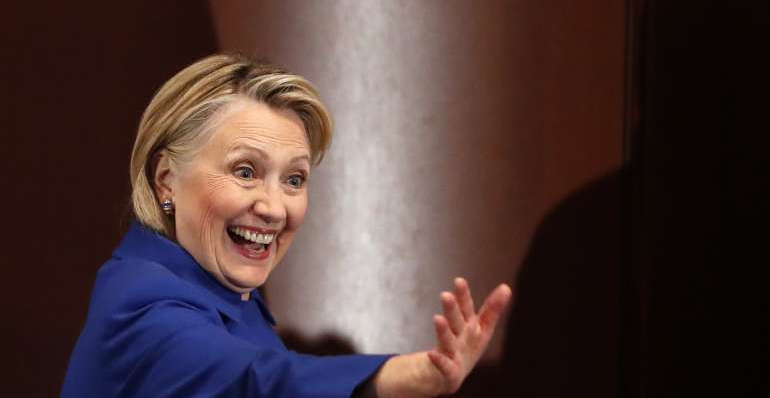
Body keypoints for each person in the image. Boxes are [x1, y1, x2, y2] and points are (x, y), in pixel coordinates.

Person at [60, 53, 512, 398]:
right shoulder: (140, 304)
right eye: (245, 172)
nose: (275, 208)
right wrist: (409, 374)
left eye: (294, 179)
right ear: (166, 180)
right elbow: (257, 382)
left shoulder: (229, 295)